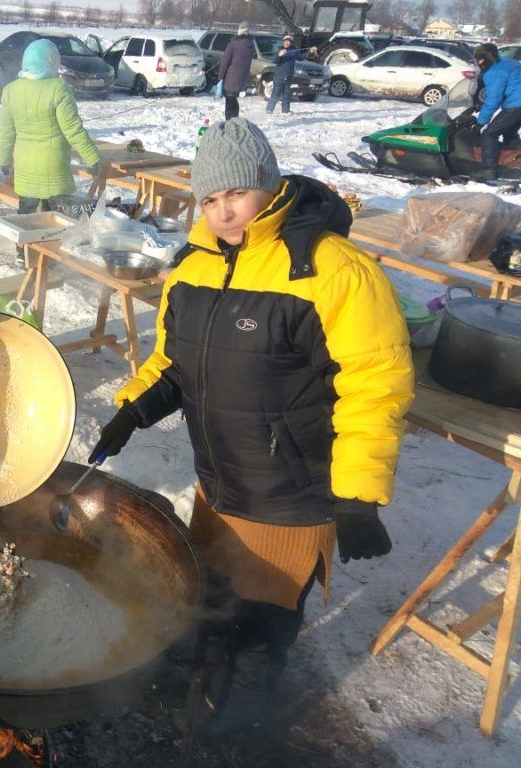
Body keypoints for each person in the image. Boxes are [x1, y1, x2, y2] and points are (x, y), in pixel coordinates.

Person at [89, 118, 414, 733]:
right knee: (211, 601)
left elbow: (376, 382)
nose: (223, 212)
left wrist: (359, 495)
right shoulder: (192, 268)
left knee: (261, 628)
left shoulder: (329, 268)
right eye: (210, 199)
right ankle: (203, 688)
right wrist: (131, 410)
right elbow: (173, 362)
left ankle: (241, 727)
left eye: (235, 194)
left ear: (267, 183)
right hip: (221, 482)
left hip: (290, 497)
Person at [0, 39, 100, 263]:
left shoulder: (11, 90)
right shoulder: (58, 88)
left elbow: (5, 131)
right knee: (55, 216)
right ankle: (49, 258)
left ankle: (23, 254)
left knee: (27, 212)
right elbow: (73, 130)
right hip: (53, 166)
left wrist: (3, 159)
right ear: (52, 61)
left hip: (25, 164)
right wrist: (93, 158)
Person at [473, 43, 521, 180]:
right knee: (509, 131)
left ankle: (488, 169)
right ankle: (512, 162)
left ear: (487, 58)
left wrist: (480, 123)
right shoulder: (509, 62)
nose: (479, 63)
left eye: (480, 59)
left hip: (516, 105)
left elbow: (494, 99)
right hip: (517, 103)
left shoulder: (494, 72)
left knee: (489, 135)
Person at [265, 34, 316, 115]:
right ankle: (269, 109)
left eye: (288, 41)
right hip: (279, 76)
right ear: (283, 42)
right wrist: (279, 55)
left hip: (289, 76)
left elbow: (301, 57)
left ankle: (285, 110)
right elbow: (274, 60)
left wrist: (310, 51)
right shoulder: (280, 49)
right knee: (276, 93)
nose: (286, 43)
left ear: (291, 43)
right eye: (285, 41)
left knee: (287, 94)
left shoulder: (294, 50)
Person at [218, 23, 254, 120]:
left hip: (231, 77)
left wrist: (220, 77)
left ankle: (230, 122)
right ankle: (235, 120)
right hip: (242, 78)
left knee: (229, 100)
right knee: (233, 99)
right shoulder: (250, 44)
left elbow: (225, 61)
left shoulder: (233, 44)